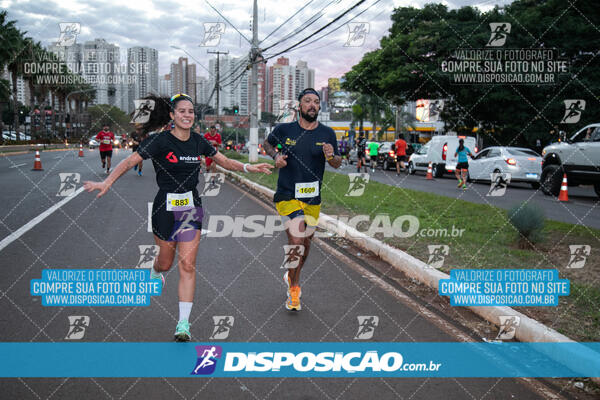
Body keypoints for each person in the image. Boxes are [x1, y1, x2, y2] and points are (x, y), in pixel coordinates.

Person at [83, 94, 273, 341]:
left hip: (190, 208)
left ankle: (183, 324)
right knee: (165, 263)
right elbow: (130, 161)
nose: (187, 115)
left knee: (187, 265)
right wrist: (107, 182)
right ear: (172, 116)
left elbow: (223, 160)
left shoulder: (198, 141)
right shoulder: (159, 141)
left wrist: (250, 167)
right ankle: (155, 271)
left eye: (191, 111)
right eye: (182, 111)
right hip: (164, 207)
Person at [263, 88, 341, 311]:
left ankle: (291, 275)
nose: (312, 105)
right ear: (299, 106)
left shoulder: (327, 134)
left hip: (312, 199)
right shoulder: (285, 129)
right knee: (296, 240)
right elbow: (267, 144)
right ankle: (294, 288)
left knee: (306, 245)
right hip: (287, 194)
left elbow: (336, 162)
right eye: (308, 101)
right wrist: (276, 156)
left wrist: (330, 156)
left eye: (316, 102)